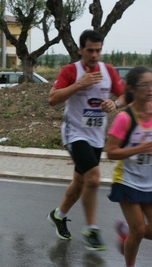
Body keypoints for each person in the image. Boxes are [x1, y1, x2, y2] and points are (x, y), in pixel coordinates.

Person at [46, 29, 125, 251]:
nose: (94, 55)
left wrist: (114, 104)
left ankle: (58, 215)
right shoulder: (71, 71)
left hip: (96, 136)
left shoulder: (108, 71)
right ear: (81, 49)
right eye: (90, 50)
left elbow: (124, 95)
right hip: (74, 133)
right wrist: (79, 84)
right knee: (93, 178)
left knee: (80, 181)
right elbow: (52, 99)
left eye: (98, 50)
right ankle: (91, 229)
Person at [105, 66, 152, 267]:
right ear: (132, 88)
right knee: (139, 230)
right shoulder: (124, 118)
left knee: (138, 230)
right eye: (145, 85)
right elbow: (110, 152)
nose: (150, 89)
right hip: (127, 180)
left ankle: (126, 231)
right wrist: (139, 148)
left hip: (149, 181)